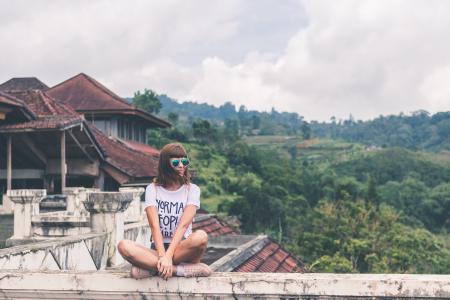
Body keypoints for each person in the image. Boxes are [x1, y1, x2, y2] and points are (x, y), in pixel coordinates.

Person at [117, 143, 211, 280]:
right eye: (175, 162)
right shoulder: (152, 189)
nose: (181, 165)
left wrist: (168, 256)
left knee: (201, 237)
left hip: (182, 248)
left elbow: (183, 226)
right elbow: (155, 226)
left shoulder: (192, 190)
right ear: (166, 165)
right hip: (157, 249)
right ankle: (177, 270)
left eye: (184, 161)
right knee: (123, 246)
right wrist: (162, 256)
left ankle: (153, 269)